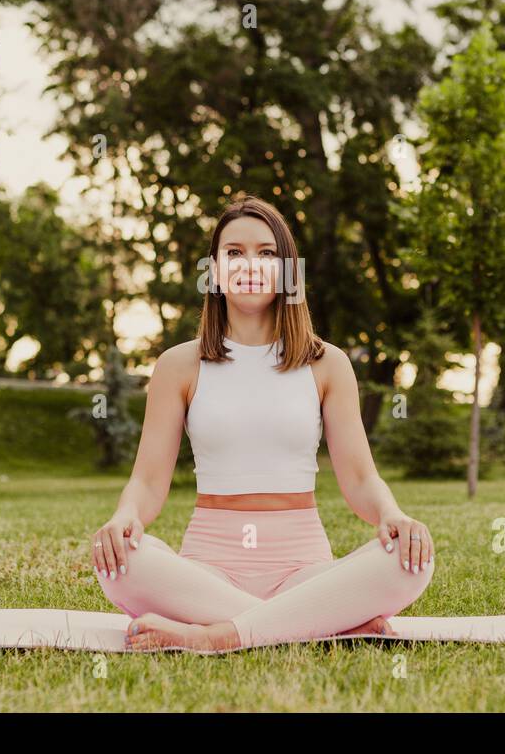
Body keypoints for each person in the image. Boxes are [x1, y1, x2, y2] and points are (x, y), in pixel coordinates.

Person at [91, 193, 435, 652]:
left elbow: (359, 478)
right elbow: (149, 483)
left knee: (410, 561)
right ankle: (320, 624)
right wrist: (124, 517)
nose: (249, 264)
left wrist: (393, 515)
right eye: (234, 252)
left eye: (266, 253)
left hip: (304, 573)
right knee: (121, 561)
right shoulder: (179, 365)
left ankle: (217, 636)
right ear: (213, 269)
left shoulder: (327, 363)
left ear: (288, 271)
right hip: (207, 572)